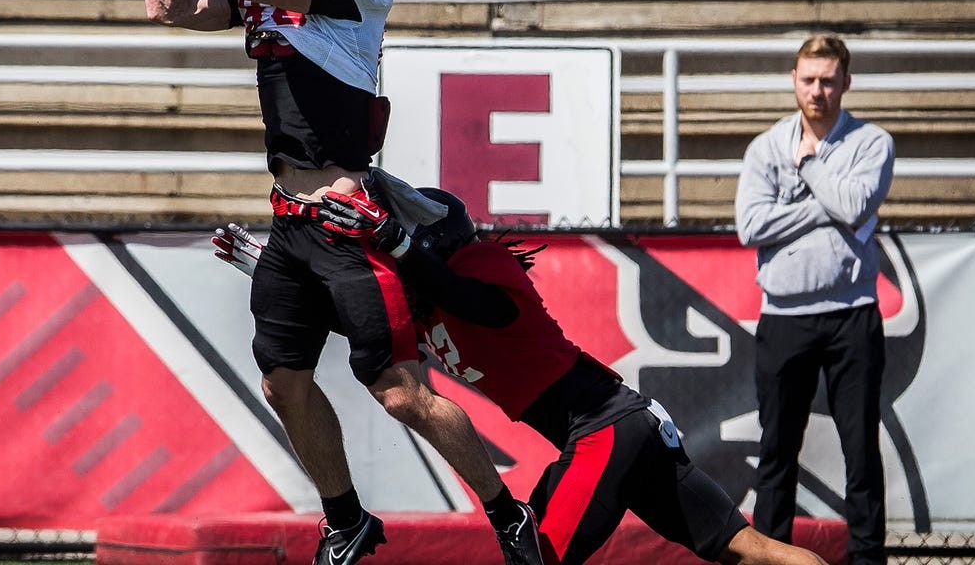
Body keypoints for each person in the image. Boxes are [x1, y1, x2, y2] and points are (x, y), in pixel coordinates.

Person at [143, 0, 543, 565]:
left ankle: (509, 513)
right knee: (283, 381)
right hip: (289, 218)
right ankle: (346, 519)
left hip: (344, 215)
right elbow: (167, 5)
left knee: (400, 392)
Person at [213, 188, 830, 565]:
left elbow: (475, 302)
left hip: (603, 427)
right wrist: (266, 269)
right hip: (617, 426)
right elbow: (367, 324)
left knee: (538, 557)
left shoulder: (482, 265)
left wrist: (400, 246)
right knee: (744, 549)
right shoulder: (428, 301)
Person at [734, 34, 895, 565]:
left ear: (846, 83)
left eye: (828, 80)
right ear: (793, 81)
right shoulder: (765, 147)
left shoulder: (872, 144)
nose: (818, 91)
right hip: (784, 319)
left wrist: (808, 170)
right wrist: (828, 204)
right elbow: (751, 226)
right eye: (809, 80)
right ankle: (771, 558)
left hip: (852, 316)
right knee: (777, 453)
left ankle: (868, 561)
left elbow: (854, 205)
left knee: (861, 454)